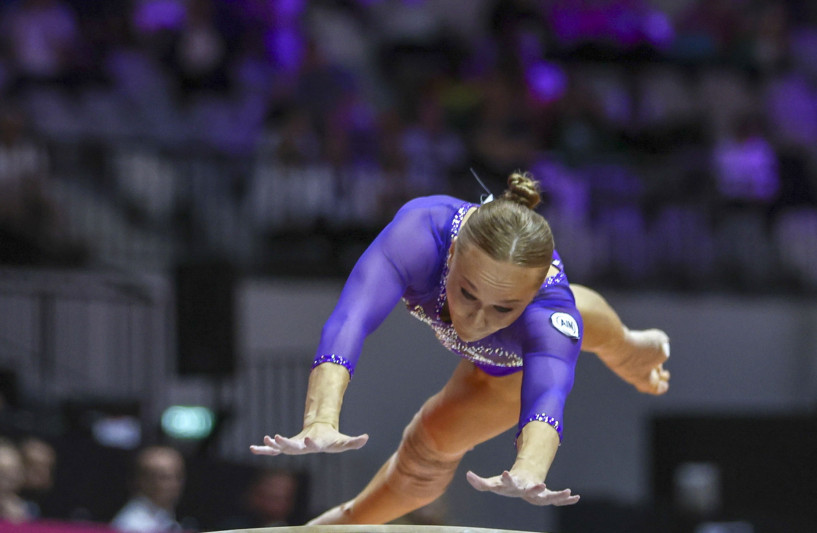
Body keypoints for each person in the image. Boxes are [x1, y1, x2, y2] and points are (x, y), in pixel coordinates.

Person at [251, 171, 670, 525]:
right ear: (451, 254)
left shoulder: (549, 314)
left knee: (431, 440)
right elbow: (350, 320)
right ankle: (340, 528)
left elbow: (547, 396)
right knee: (424, 446)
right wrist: (321, 417)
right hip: (499, 339)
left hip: (510, 364)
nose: (478, 320)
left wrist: (529, 469)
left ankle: (634, 349)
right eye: (468, 294)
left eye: (503, 307)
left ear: (531, 295)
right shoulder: (418, 234)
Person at [111, 446, 186, 533]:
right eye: (164, 477)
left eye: (178, 477)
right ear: (142, 481)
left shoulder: (165, 515)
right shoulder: (131, 524)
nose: (174, 484)